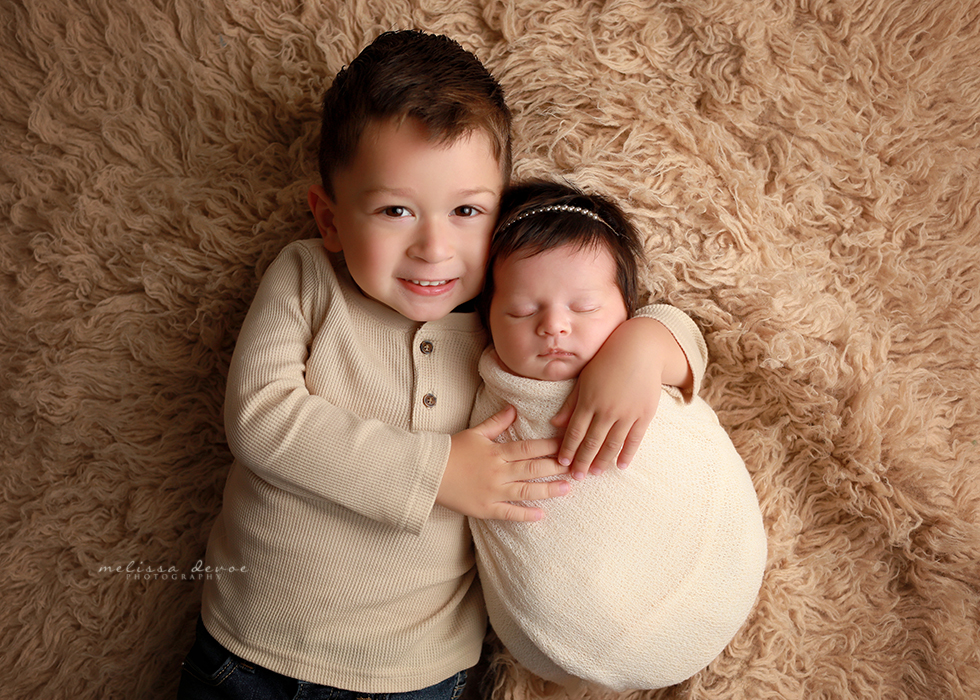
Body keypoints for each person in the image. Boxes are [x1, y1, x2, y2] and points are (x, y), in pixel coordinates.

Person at [176, 31, 705, 700]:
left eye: (466, 211)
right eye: (395, 210)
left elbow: (628, 312)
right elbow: (258, 417)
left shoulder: (505, 312)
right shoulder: (309, 277)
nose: (433, 248)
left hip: (417, 671)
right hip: (252, 650)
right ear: (330, 218)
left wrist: (645, 345)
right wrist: (437, 471)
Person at [470, 180, 768, 692]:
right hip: (566, 627)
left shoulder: (638, 339)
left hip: (720, 565)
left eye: (584, 307)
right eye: (521, 311)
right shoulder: (484, 391)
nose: (555, 326)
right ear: (487, 318)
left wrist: (642, 346)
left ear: (626, 306)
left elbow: (686, 343)